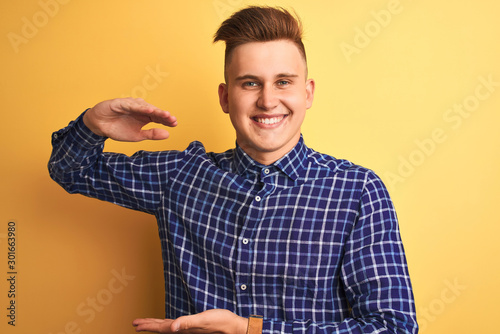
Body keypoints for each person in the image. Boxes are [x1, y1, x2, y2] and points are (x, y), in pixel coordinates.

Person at [48, 6, 418, 334]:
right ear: (226, 97)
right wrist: (92, 125)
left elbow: (394, 327)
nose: (268, 100)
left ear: (307, 93)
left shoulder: (356, 191)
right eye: (250, 83)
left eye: (283, 82)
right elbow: (70, 171)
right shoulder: (180, 175)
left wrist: (250, 330)